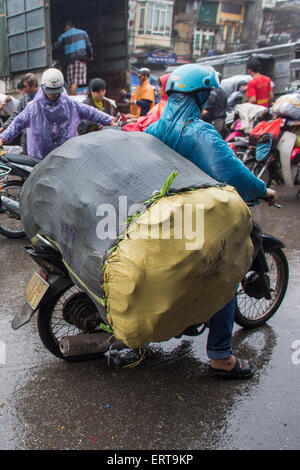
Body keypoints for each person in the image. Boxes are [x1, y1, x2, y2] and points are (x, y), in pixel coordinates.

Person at [146, 64, 278, 379]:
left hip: (160, 215)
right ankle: (221, 356)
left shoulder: (154, 129)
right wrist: (263, 190)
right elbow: (233, 173)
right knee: (226, 274)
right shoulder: (199, 131)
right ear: (202, 94)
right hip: (196, 219)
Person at [0, 68, 116, 159]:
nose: (53, 95)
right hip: (39, 158)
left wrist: (109, 120)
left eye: (56, 92)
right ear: (43, 88)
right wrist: (3, 138)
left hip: (64, 157)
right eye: (50, 92)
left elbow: (91, 112)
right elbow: (17, 123)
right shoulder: (33, 107)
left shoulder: (70, 104)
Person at [0, 73, 39, 152]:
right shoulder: (25, 99)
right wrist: (4, 128)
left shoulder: (43, 98)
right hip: (27, 137)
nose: (24, 90)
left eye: (25, 87)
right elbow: (16, 115)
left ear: (34, 84)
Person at [54, 20, 93, 96]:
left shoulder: (64, 35)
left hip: (70, 61)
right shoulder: (83, 33)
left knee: (72, 82)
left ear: (67, 26)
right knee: (75, 82)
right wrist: (90, 55)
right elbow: (89, 46)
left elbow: (56, 46)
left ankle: (72, 99)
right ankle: (73, 99)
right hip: (81, 60)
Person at [201, 73, 228, 137]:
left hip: (214, 122)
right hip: (222, 121)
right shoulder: (222, 91)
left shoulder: (212, 93)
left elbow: (205, 111)